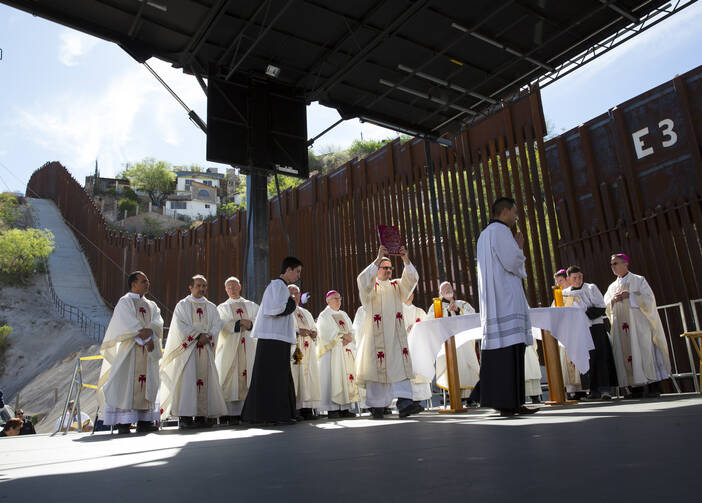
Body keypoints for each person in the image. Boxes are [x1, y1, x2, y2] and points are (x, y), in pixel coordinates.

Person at [475, 197, 538, 417]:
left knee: (503, 353)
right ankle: (511, 402)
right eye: (515, 211)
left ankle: (507, 402)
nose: (516, 216)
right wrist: (519, 248)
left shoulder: (484, 235)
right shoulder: (501, 232)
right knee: (511, 350)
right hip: (507, 301)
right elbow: (512, 263)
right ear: (504, 212)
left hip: (495, 303)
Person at [356, 245, 421, 419]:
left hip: (395, 337)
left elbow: (412, 279)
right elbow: (361, 280)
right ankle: (377, 407)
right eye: (384, 268)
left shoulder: (396, 286)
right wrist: (378, 258)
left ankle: (405, 403)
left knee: (400, 364)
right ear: (377, 270)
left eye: (390, 268)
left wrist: (405, 259)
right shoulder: (371, 288)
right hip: (375, 337)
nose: (388, 270)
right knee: (377, 370)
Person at [98, 271, 163, 434]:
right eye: (143, 281)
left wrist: (150, 335)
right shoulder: (125, 302)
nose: (147, 283)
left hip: (147, 353)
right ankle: (124, 421)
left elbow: (158, 322)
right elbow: (126, 323)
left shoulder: (151, 305)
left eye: (147, 281)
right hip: (130, 351)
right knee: (125, 383)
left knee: (148, 383)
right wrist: (145, 340)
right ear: (133, 284)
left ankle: (144, 420)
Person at [159, 275, 227, 429]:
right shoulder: (182, 305)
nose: (202, 288)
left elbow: (217, 325)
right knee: (187, 382)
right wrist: (198, 336)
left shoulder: (211, 307)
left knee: (206, 381)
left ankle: (203, 416)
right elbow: (179, 325)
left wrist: (208, 336)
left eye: (204, 286)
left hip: (206, 350)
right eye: (198, 285)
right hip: (188, 351)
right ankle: (186, 417)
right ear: (190, 287)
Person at [241, 257, 302, 425]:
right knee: (272, 378)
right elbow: (274, 309)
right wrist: (293, 303)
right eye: (297, 271)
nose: (298, 275)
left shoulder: (281, 287)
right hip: (272, 339)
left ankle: (280, 414)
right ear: (288, 269)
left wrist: (291, 302)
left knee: (277, 377)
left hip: (277, 338)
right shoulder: (277, 285)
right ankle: (271, 415)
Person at [604, 254, 671, 398]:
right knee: (627, 354)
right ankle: (635, 389)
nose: (613, 267)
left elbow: (649, 299)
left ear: (625, 264)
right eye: (611, 264)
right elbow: (606, 306)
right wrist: (612, 301)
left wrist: (631, 295)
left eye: (615, 263)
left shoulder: (638, 280)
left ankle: (653, 387)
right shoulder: (612, 286)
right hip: (622, 327)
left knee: (645, 351)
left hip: (638, 325)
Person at [564, 266, 618, 400]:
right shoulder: (565, 293)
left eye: (579, 277)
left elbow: (601, 307)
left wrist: (585, 312)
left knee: (600, 357)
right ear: (569, 279)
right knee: (587, 359)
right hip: (580, 329)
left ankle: (605, 390)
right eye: (574, 278)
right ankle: (593, 391)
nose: (577, 280)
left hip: (595, 327)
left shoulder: (590, 288)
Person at [215, 276, 259, 425]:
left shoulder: (251, 305)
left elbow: (259, 320)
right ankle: (230, 414)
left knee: (250, 374)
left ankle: (248, 412)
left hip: (249, 347)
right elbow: (220, 324)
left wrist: (250, 324)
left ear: (240, 287)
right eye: (228, 287)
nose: (232, 290)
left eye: (234, 286)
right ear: (225, 290)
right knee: (230, 378)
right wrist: (238, 323)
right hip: (230, 349)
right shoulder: (222, 307)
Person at [427, 281, 479, 404]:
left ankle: (469, 396)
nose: (447, 289)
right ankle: (453, 395)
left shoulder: (462, 304)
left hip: (464, 342)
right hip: (447, 343)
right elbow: (431, 321)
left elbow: (473, 316)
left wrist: (458, 310)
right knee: (450, 367)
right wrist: (446, 311)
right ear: (440, 293)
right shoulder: (436, 306)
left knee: (467, 367)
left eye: (449, 287)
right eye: (444, 288)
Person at [316, 290, 359, 419]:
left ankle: (345, 408)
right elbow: (326, 333)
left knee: (346, 378)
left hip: (345, 351)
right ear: (328, 301)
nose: (338, 301)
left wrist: (350, 336)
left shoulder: (344, 314)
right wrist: (342, 337)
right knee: (332, 378)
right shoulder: (324, 315)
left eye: (340, 298)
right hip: (331, 354)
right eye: (335, 299)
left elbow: (351, 329)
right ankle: (332, 408)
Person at [289, 284, 321, 420]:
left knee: (309, 377)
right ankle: (295, 408)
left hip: (308, 348)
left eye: (296, 293)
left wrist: (314, 333)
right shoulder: (285, 312)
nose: (293, 296)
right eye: (290, 293)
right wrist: (297, 331)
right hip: (296, 348)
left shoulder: (305, 312)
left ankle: (307, 409)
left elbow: (314, 328)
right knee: (297, 375)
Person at [554, 269, 584, 399]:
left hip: (577, 331)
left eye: (560, 280)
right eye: (557, 282)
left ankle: (583, 389)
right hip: (566, 333)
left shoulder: (575, 292)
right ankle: (572, 391)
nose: (558, 284)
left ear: (567, 279)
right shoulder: (559, 294)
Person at [404, 292, 432, 406]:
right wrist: (407, 328)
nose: (409, 295)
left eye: (411, 293)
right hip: (405, 348)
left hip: (418, 347)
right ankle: (407, 401)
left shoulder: (420, 311)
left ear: (413, 295)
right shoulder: (398, 311)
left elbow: (427, 328)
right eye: (407, 292)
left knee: (419, 371)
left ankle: (418, 401)